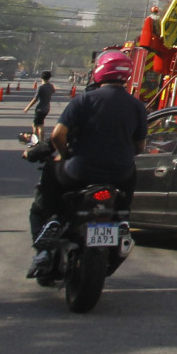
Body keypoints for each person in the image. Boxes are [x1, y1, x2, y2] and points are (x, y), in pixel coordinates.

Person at [27, 49, 147, 278]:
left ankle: (49, 227)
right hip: (119, 175)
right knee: (130, 178)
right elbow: (140, 146)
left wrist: (65, 154)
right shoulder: (137, 106)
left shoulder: (83, 100)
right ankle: (122, 219)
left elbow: (57, 136)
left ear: (99, 71)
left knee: (48, 181)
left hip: (79, 172)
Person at [28, 71, 56, 144]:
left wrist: (27, 107)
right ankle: (40, 141)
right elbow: (53, 91)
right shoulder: (50, 86)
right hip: (47, 108)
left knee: (36, 125)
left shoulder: (41, 87)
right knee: (40, 124)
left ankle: (36, 141)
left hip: (40, 108)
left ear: (41, 77)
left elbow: (35, 99)